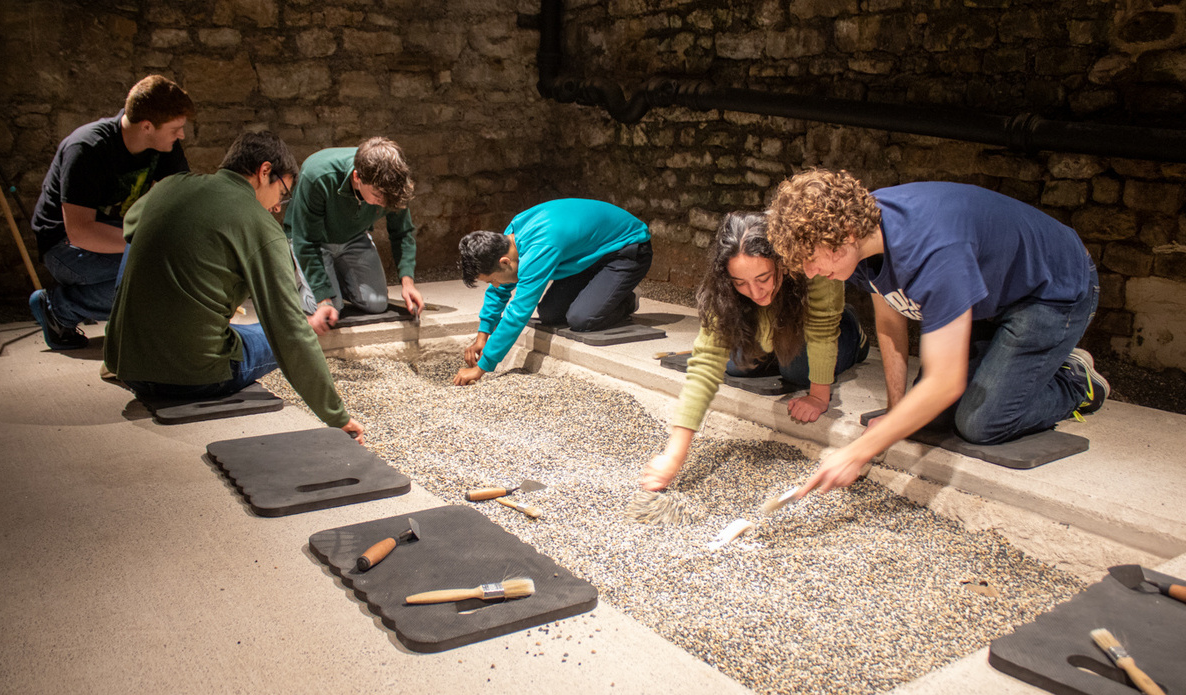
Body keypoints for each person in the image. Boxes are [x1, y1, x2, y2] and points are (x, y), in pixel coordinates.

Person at [766, 168, 1107, 498]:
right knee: (928, 416)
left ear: (846, 233)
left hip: (1053, 291)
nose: (811, 273)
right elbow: (890, 319)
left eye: (812, 259)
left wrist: (856, 453)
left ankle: (1074, 380)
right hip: (990, 294)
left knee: (981, 423)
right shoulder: (859, 248)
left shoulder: (933, 250)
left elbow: (946, 382)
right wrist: (895, 412)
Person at [103, 131, 364, 443]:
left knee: (141, 240)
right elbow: (288, 332)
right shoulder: (259, 225)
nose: (279, 207)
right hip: (190, 378)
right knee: (295, 330)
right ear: (264, 171)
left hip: (127, 363)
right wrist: (337, 417)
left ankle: (113, 352)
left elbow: (131, 224)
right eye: (282, 193)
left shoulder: (172, 185)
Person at [640, 212, 869, 491]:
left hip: (819, 323)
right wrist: (674, 455)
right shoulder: (724, 290)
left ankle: (853, 330)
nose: (756, 291)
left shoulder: (809, 256)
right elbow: (707, 362)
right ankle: (777, 346)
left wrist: (819, 396)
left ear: (781, 264)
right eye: (741, 283)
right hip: (774, 328)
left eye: (763, 278)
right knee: (734, 364)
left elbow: (822, 328)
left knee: (798, 371)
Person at [29, 75, 195, 350]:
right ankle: (58, 309)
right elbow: (81, 231)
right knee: (157, 274)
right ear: (147, 126)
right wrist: (152, 248)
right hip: (65, 245)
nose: (182, 135)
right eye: (176, 128)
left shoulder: (164, 146)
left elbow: (184, 200)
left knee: (174, 270)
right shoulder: (87, 148)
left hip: (114, 230)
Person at [455, 198, 653, 386]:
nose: (495, 285)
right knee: (550, 314)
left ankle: (624, 297)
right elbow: (498, 291)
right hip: (589, 256)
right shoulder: (507, 240)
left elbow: (518, 313)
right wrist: (483, 336)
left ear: (504, 262)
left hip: (628, 249)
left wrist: (482, 367)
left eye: (492, 280)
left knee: (582, 319)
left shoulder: (539, 248)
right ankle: (604, 289)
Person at [282, 137, 422, 336]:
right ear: (357, 177)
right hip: (315, 241)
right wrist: (324, 299)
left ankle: (335, 282)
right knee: (330, 308)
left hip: (353, 237)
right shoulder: (318, 175)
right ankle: (290, 289)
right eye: (377, 195)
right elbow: (306, 241)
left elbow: (403, 233)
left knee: (377, 304)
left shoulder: (393, 184)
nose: (383, 203)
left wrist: (408, 283)